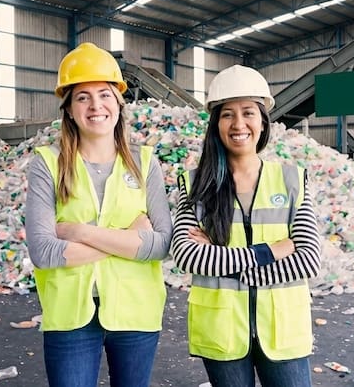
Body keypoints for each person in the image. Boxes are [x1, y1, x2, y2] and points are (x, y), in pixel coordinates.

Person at [24, 42, 173, 387]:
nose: (95, 106)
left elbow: (163, 244)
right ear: (68, 109)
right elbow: (43, 252)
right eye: (83, 97)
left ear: (118, 103)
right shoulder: (47, 163)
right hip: (70, 316)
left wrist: (78, 232)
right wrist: (130, 238)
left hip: (136, 312)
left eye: (105, 94)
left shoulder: (144, 162)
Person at [170, 65, 321, 387]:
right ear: (216, 124)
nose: (239, 124)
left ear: (263, 121)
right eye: (227, 114)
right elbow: (187, 255)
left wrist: (224, 263)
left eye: (248, 113)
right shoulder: (196, 185)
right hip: (222, 331)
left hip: (282, 331)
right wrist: (269, 252)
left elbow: (308, 260)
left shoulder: (292, 181)